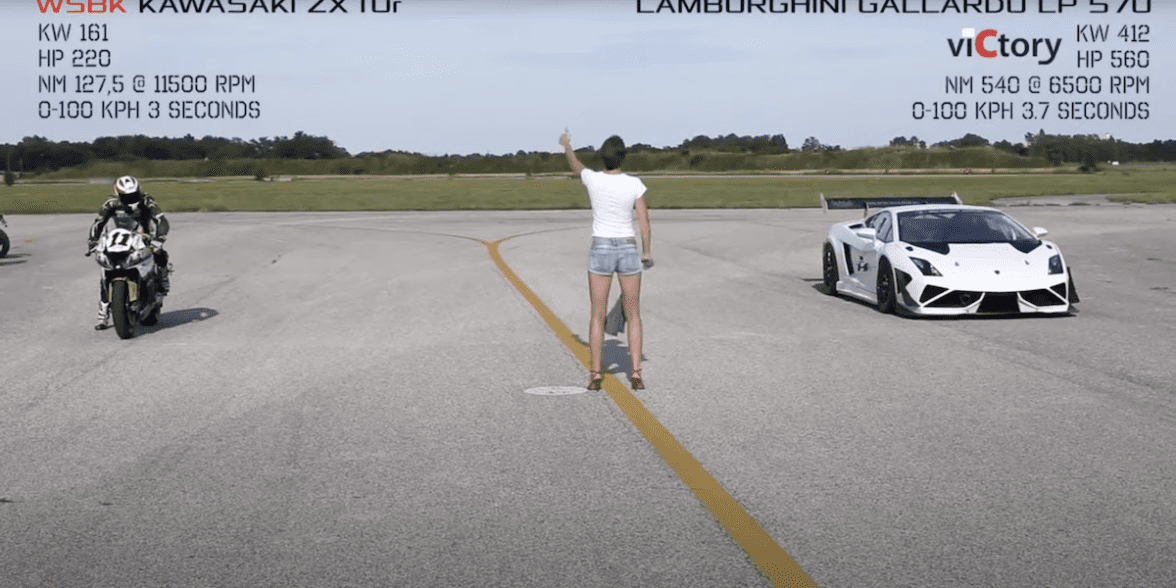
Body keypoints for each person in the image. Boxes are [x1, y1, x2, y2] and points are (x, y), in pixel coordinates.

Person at [559, 131, 652, 390]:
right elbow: (643, 221)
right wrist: (646, 252)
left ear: (603, 157)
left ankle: (596, 374)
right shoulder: (634, 184)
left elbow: (575, 165)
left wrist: (567, 145)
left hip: (600, 248)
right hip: (627, 248)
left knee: (597, 315)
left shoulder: (593, 179)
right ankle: (635, 373)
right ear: (623, 157)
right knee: (633, 315)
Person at [88, 175, 171, 330]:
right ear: (118, 193)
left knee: (160, 254)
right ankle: (103, 311)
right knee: (107, 266)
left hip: (143, 237)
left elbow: (161, 220)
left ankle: (163, 281)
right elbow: (98, 223)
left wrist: (158, 239)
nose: (131, 199)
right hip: (118, 239)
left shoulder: (147, 201)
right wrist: (92, 241)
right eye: (127, 196)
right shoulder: (110, 203)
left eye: (133, 195)